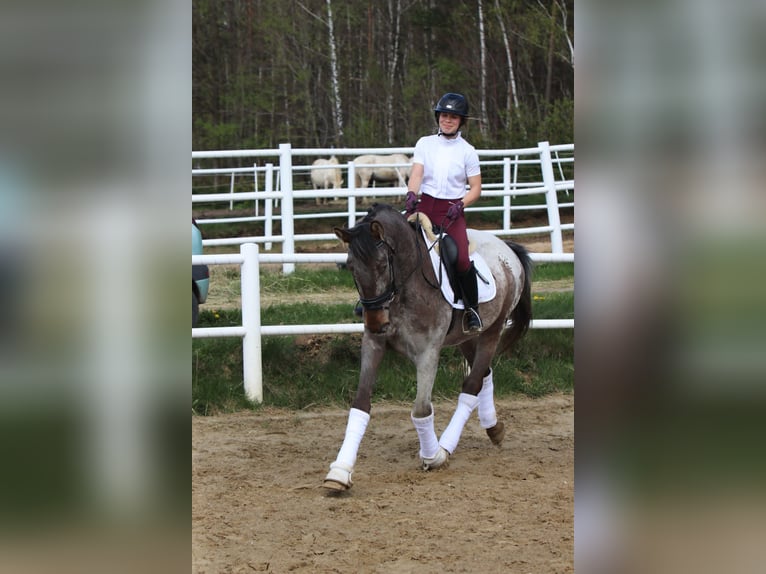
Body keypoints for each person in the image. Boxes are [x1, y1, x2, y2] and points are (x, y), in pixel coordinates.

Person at [404, 92, 483, 333]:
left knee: (460, 258)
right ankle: (384, 300)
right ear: (438, 117)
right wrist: (411, 193)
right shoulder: (424, 143)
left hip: (451, 210)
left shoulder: (467, 151)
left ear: (461, 121)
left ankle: (472, 310)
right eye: (444, 116)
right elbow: (417, 173)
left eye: (454, 117)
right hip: (425, 205)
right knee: (395, 242)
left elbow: (476, 187)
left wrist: (461, 204)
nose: (448, 120)